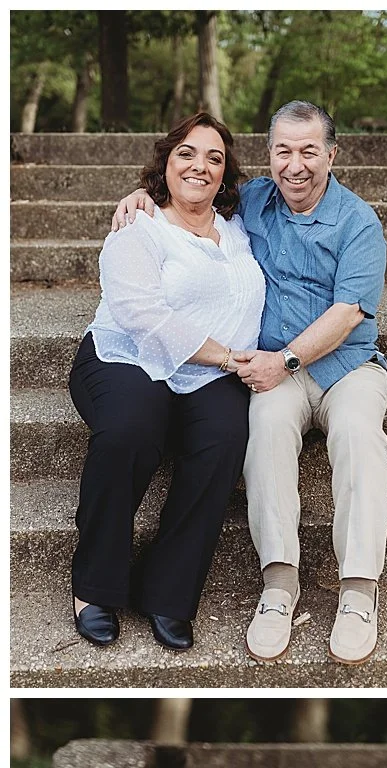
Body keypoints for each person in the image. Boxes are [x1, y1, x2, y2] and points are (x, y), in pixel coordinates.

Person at [113, 101, 387, 666]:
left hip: (346, 367)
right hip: (273, 370)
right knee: (261, 427)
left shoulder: (359, 222)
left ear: (331, 155)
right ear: (268, 157)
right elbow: (190, 192)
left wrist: (285, 360)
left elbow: (347, 314)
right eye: (283, 151)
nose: (295, 165)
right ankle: (278, 586)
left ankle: (359, 592)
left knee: (361, 435)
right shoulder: (254, 201)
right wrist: (140, 198)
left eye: (309, 151)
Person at [68, 112, 263, 652]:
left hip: (207, 374)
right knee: (132, 426)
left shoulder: (242, 227)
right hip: (125, 356)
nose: (200, 166)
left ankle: (168, 591)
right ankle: (95, 585)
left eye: (214, 158)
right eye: (187, 154)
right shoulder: (141, 226)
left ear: (226, 176)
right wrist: (226, 357)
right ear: (166, 163)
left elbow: (299, 184)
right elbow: (141, 316)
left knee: (225, 438)